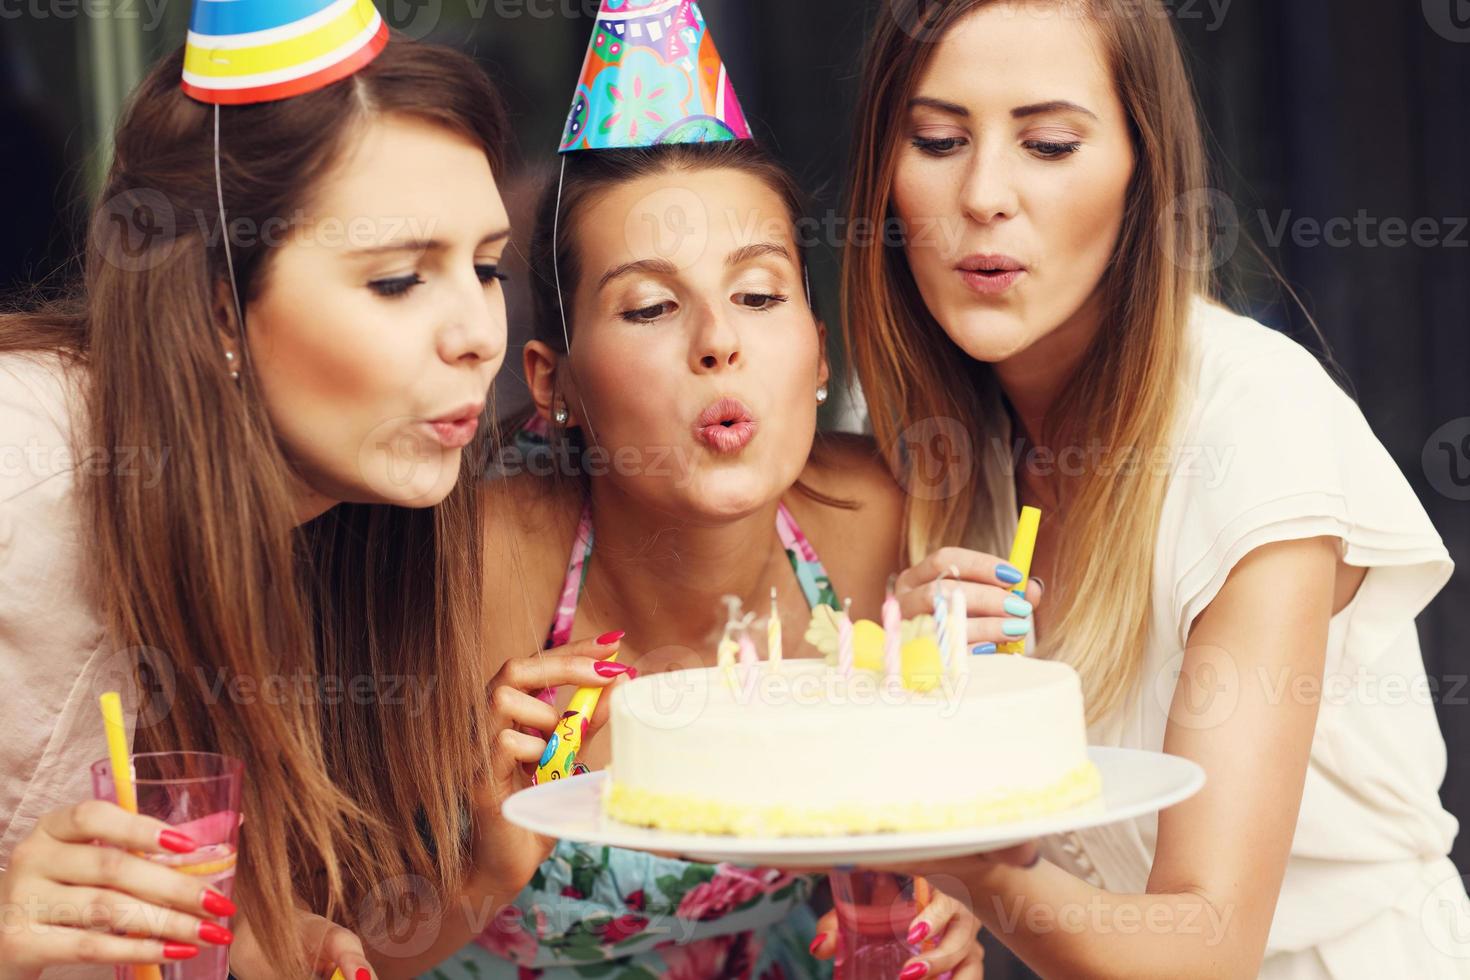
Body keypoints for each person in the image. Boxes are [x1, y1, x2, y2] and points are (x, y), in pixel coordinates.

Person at [839, 1, 1468, 977]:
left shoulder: (1253, 425)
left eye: (1048, 142)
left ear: (1144, 167)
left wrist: (933, 842)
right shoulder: (904, 433)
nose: (984, 193)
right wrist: (907, 690)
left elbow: (1203, 945)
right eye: (937, 139)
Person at [0, 25, 621, 979]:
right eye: (399, 279)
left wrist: (267, 940)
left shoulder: (353, 533)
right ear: (216, 308)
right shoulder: (20, 461)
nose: (477, 335)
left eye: (486, 269)